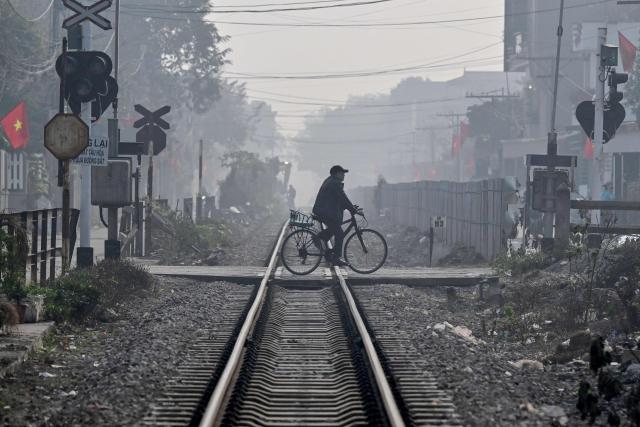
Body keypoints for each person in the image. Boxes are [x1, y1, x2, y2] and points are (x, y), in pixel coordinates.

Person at [312, 165, 361, 266]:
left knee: (336, 226)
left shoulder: (331, 181)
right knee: (339, 233)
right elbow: (343, 197)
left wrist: (351, 207)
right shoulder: (334, 183)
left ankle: (321, 239)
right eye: (342, 173)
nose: (344, 175)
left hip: (324, 210)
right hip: (325, 212)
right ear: (337, 173)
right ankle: (336, 258)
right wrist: (352, 209)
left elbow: (338, 199)